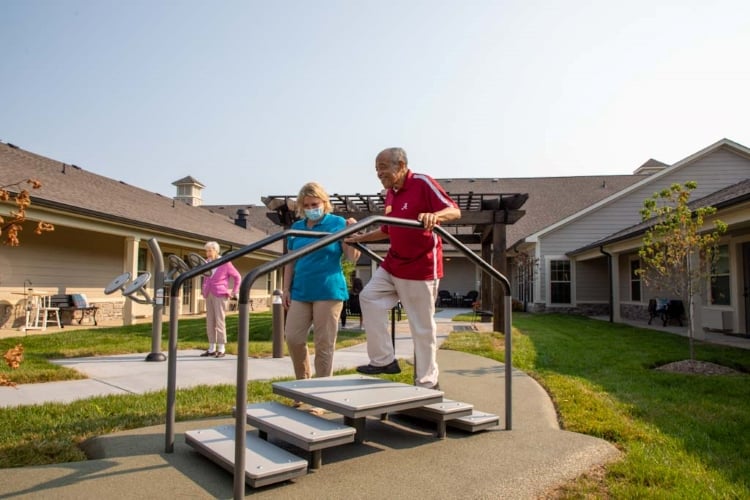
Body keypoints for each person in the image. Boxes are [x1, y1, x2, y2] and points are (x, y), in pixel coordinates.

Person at [345, 147, 460, 389]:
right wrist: (360, 239)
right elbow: (387, 229)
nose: (378, 173)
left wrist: (435, 215)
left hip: (421, 267)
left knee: (422, 327)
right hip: (394, 263)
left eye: (383, 167)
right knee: (368, 297)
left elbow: (454, 210)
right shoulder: (390, 194)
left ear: (401, 165)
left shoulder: (422, 183)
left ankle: (427, 381)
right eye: (376, 168)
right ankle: (384, 360)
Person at [283, 182, 360, 380]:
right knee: (293, 337)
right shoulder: (297, 227)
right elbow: (290, 261)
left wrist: (351, 233)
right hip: (301, 290)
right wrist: (285, 289)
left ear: (324, 203)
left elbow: (352, 257)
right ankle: (303, 385)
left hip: (328, 291)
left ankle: (321, 396)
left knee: (324, 344)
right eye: (306, 206)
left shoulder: (337, 223)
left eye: (314, 204)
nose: (310, 209)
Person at [200, 241, 241, 358]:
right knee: (210, 322)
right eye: (206, 251)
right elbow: (206, 278)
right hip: (209, 294)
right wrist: (204, 289)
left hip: (220, 294)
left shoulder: (225, 263)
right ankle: (211, 348)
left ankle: (221, 348)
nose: (207, 253)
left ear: (216, 251)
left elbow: (237, 277)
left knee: (219, 321)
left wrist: (234, 291)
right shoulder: (206, 263)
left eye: (209, 251)